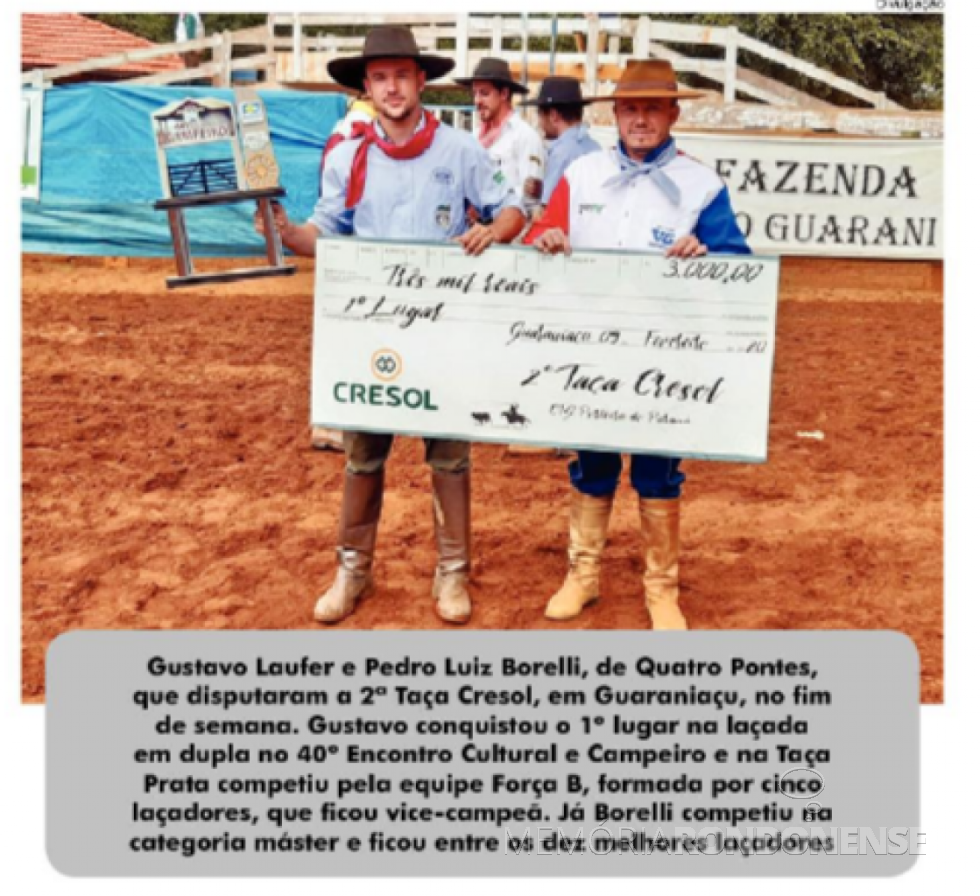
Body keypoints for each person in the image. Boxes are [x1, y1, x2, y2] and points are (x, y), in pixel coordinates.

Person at [256, 26, 525, 626]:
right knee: (362, 453)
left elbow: (512, 208)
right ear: (367, 87)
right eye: (380, 77)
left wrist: (494, 230)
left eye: (402, 75)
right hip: (371, 333)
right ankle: (353, 569)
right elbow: (323, 232)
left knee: (449, 455)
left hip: (444, 330)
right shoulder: (349, 157)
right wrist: (287, 231)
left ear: (421, 80)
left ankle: (452, 572)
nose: (392, 87)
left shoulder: (460, 150)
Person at [524, 59, 750, 630]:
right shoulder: (583, 174)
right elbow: (540, 234)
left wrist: (706, 253)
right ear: (615, 115)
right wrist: (546, 237)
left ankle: (661, 589)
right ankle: (583, 575)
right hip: (591, 349)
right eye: (630, 109)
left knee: (658, 469)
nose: (641, 120)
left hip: (663, 356)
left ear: (674, 114)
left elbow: (737, 265)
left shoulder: (702, 184)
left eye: (653, 108)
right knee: (591, 461)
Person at [310, 95, 378, 454]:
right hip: (355, 244)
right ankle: (334, 422)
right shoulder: (360, 130)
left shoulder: (342, 128)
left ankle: (329, 421)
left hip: (339, 241)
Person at [455, 58, 546, 219]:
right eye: (474, 93)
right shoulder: (474, 137)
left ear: (504, 93)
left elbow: (530, 199)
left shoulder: (524, 136)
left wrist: (488, 208)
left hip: (511, 231)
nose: (477, 101)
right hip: (475, 229)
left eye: (484, 93)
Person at [520, 76, 601, 206]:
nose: (539, 123)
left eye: (540, 114)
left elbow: (547, 206)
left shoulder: (562, 153)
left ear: (554, 116)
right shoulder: (594, 147)